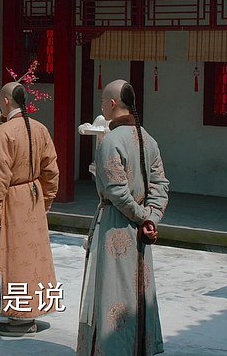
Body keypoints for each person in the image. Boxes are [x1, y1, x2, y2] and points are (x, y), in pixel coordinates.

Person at [76, 79, 170, 356]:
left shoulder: (110, 141)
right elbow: (161, 185)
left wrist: (141, 218)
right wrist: (151, 218)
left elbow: (116, 191)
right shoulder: (149, 139)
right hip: (142, 230)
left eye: (103, 101)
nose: (102, 106)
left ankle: (112, 349)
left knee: (113, 292)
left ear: (113, 103)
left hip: (115, 225)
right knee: (139, 291)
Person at [0, 82, 59, 336]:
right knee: (35, 256)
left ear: (6, 101)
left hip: (13, 198)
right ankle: (36, 307)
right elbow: (51, 170)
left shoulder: (3, 133)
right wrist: (46, 200)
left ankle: (19, 316)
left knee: (14, 258)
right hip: (34, 195)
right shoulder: (40, 128)